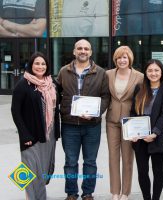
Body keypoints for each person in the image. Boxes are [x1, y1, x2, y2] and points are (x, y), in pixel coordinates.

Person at [57, 39, 110, 200]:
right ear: (74, 51)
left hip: (92, 126)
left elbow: (106, 96)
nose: (83, 51)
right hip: (69, 125)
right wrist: (64, 111)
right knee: (70, 162)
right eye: (79, 48)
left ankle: (88, 193)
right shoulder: (64, 71)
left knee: (90, 162)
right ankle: (71, 193)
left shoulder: (101, 73)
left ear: (91, 52)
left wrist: (96, 112)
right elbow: (56, 95)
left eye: (86, 48)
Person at [11, 52, 60, 200]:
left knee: (43, 168)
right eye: (37, 63)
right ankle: (30, 197)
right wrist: (24, 134)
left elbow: (58, 106)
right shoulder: (23, 84)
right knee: (28, 168)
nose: (40, 66)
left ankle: (39, 195)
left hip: (48, 134)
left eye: (43, 64)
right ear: (31, 65)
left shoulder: (53, 84)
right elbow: (15, 111)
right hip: (30, 135)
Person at [130, 59, 163, 200]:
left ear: (161, 72)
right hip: (140, 138)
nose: (153, 73)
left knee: (157, 170)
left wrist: (155, 132)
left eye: (156, 70)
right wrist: (132, 132)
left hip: (158, 138)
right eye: (150, 70)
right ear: (145, 72)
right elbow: (133, 112)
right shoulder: (139, 88)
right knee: (142, 171)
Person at [106, 46, 143, 200]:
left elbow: (142, 99)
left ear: (130, 59)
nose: (122, 60)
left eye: (125, 57)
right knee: (113, 157)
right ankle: (115, 191)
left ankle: (125, 193)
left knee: (128, 157)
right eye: (119, 57)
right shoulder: (108, 74)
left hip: (130, 122)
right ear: (115, 59)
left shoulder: (139, 76)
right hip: (112, 120)